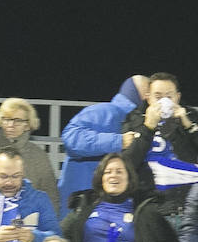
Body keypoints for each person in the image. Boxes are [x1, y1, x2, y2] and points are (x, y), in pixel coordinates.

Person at [62, 152, 182, 242]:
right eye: (108, 172)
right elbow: (60, 236)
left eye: (119, 171)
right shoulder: (84, 206)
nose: (113, 175)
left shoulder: (144, 210)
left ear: (129, 178)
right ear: (101, 178)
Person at [119, 72, 198, 204]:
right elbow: (127, 165)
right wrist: (147, 127)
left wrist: (189, 126)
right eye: (158, 96)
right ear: (148, 97)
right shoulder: (134, 119)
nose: (164, 101)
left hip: (184, 198)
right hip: (145, 199)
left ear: (177, 97)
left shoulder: (192, 116)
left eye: (169, 96)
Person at [59, 75, 148, 213]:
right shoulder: (103, 111)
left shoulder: (144, 124)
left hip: (116, 207)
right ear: (141, 93)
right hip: (82, 205)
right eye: (150, 92)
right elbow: (71, 138)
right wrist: (118, 141)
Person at [0, 97, 58, 208]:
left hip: (30, 214)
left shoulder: (38, 155)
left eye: (18, 120)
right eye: (6, 119)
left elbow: (50, 194)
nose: (11, 124)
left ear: (27, 125)